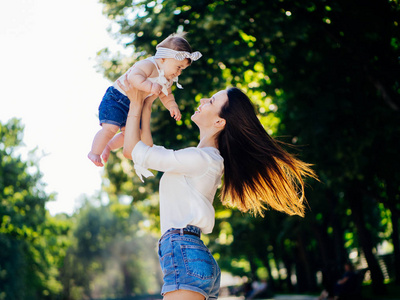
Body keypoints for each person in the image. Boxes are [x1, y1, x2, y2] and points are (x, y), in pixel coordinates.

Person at [120, 76, 317, 299]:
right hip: (190, 254)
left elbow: (132, 151)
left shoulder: (200, 159)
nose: (203, 100)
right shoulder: (205, 159)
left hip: (184, 252)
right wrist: (145, 104)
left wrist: (135, 102)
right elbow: (147, 151)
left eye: (211, 101)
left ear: (219, 122)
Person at [88, 32, 202, 166]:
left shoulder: (168, 80)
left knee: (133, 134)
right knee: (110, 128)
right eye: (178, 67)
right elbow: (133, 77)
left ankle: (108, 146)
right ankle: (94, 152)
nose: (179, 73)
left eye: (182, 69)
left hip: (134, 104)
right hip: (118, 99)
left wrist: (172, 106)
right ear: (163, 59)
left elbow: (167, 95)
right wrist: (150, 86)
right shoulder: (149, 65)